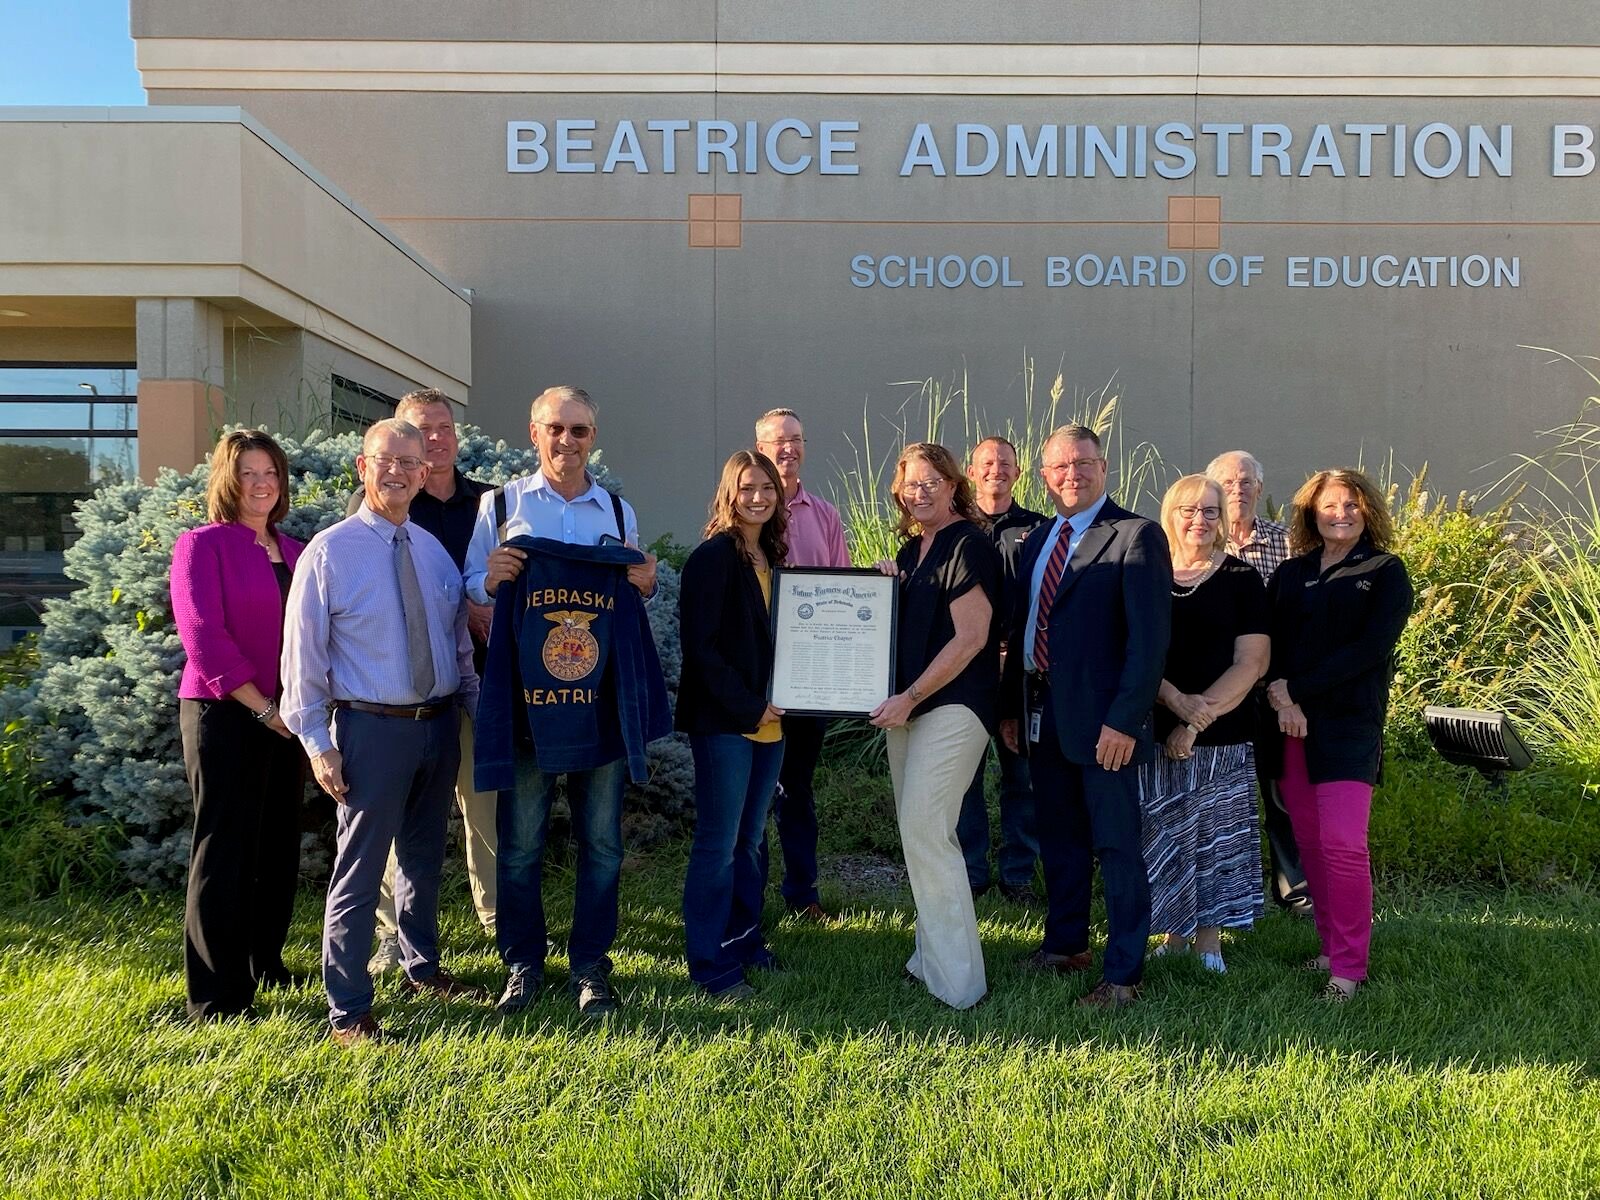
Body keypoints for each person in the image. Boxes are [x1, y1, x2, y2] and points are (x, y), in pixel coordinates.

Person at [282, 418, 484, 1046]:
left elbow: (455, 646)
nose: (397, 472)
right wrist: (318, 743)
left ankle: (421, 967)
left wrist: (475, 710)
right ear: (362, 468)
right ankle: (348, 1009)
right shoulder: (330, 551)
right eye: (384, 460)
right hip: (371, 729)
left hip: (437, 724)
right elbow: (303, 660)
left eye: (410, 462)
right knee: (361, 867)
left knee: (424, 857)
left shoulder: (432, 553)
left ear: (426, 473)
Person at [465, 385, 659, 1018]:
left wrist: (646, 583)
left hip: (600, 703)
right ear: (534, 432)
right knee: (520, 843)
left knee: (601, 843)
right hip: (527, 703)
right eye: (556, 428)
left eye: (579, 430)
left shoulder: (619, 512)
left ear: (592, 439)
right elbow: (472, 586)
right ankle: (522, 963)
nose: (567, 441)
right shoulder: (500, 506)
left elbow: (636, 596)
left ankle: (590, 966)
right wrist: (490, 579)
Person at [1000, 424, 1171, 1009]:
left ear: (1103, 467)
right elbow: (1020, 630)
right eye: (1060, 466)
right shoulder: (1038, 538)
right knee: (1061, 839)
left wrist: (1125, 720)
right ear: (1044, 477)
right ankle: (1065, 945)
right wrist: (1011, 707)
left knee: (1117, 846)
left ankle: (1123, 974)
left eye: (1083, 463)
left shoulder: (1135, 535)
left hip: (1106, 726)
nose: (1072, 474)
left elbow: (1149, 644)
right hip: (1042, 713)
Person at [359, 389, 498, 975]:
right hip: (407, 692)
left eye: (444, 429)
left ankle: (496, 920)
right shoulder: (384, 505)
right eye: (423, 430)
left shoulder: (489, 505)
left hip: (482, 680)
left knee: (485, 804)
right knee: (402, 813)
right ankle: (392, 932)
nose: (435, 439)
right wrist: (461, 608)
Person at [170, 430, 307, 1021]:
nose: (261, 484)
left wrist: (296, 711)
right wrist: (263, 708)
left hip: (287, 719)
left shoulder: (298, 551)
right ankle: (217, 995)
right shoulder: (202, 545)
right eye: (248, 473)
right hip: (225, 714)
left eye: (270, 473)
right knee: (224, 848)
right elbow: (203, 637)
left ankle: (265, 966)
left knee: (277, 846)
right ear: (229, 481)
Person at [1264, 468, 1412, 1001]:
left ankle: (1348, 969)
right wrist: (1283, 697)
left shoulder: (1386, 571)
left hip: (1349, 726)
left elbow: (1370, 650)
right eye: (1331, 505)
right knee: (1310, 844)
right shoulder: (1290, 572)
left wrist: (1297, 690)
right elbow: (1272, 644)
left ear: (1367, 510)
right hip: (1290, 726)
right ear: (1312, 512)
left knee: (1344, 844)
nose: (1341, 514)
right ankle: (1328, 946)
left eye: (1351, 505)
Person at [870, 443, 1001, 1010]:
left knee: (927, 827)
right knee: (917, 830)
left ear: (953, 486)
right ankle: (930, 957)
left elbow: (972, 638)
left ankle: (959, 983)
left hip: (954, 706)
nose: (919, 491)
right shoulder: (909, 550)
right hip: (908, 709)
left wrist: (911, 696)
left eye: (931, 482)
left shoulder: (969, 543)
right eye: (910, 483)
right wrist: (882, 588)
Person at [1142, 475, 1269, 973]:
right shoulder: (1145, 574)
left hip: (1223, 733)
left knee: (1216, 835)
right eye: (1189, 510)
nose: (1200, 520)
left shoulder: (1242, 579)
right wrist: (1174, 702)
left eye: (1211, 511)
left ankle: (1210, 942)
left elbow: (1251, 662)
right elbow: (1134, 652)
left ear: (1223, 520)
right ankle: (1173, 933)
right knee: (1165, 830)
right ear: (1170, 514)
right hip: (1153, 724)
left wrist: (1195, 722)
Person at [676, 450, 789, 997]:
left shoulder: (771, 556)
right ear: (729, 492)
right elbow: (702, 651)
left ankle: (744, 941)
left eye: (767, 487)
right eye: (747, 488)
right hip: (727, 722)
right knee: (718, 845)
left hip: (772, 724)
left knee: (749, 840)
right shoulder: (713, 558)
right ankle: (709, 962)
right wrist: (750, 706)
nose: (758, 497)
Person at [753, 407, 851, 921]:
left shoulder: (826, 514)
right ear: (760, 447)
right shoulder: (744, 508)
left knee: (797, 788)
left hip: (810, 678)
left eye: (796, 439)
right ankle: (749, 892)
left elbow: (844, 590)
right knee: (757, 790)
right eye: (778, 441)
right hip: (758, 676)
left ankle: (802, 895)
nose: (788, 448)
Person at [1206, 449, 1311, 916]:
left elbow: (1300, 622)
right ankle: (1221, 890)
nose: (1238, 489)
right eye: (1228, 482)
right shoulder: (1193, 543)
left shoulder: (1288, 545)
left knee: (1281, 791)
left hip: (1272, 689)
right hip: (1212, 690)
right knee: (1219, 796)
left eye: (1247, 481)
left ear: (1260, 489)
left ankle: (1295, 889)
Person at [957, 435, 1047, 901]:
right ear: (970, 473)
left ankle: (1018, 876)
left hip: (1021, 673)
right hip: (964, 671)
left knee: (1022, 778)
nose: (996, 469)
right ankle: (971, 873)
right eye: (986, 463)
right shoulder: (952, 526)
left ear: (1018, 472)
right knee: (965, 776)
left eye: (1005, 463)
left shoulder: (1039, 529)